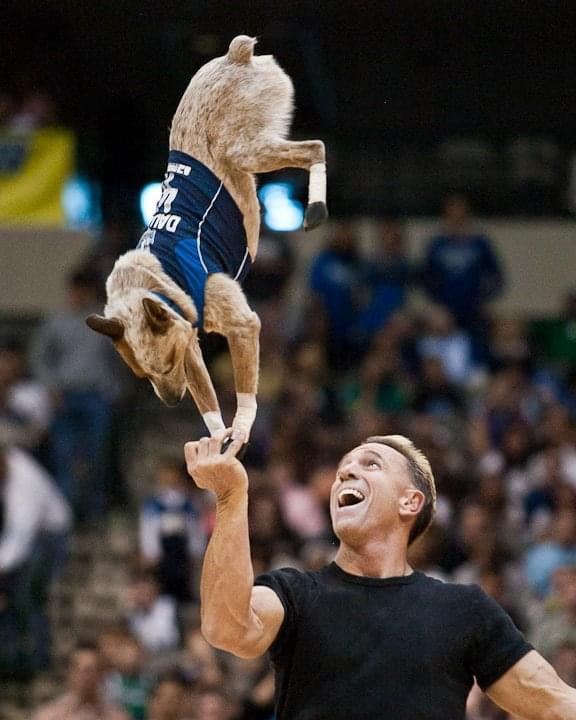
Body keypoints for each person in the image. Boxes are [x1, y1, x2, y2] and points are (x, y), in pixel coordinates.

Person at [184, 431, 576, 720]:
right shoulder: (296, 593)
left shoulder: (464, 610)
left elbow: (555, 704)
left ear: (410, 501)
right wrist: (231, 498)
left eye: (370, 464)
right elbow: (226, 628)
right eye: (342, 471)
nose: (346, 474)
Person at [32, 642, 130, 720]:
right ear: (71, 673)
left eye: (93, 670)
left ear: (101, 675)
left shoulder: (116, 716)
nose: (87, 677)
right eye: (84, 671)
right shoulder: (50, 715)